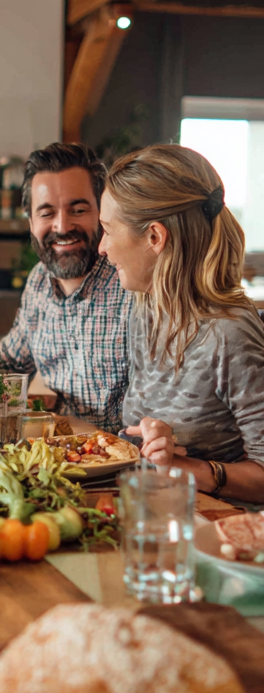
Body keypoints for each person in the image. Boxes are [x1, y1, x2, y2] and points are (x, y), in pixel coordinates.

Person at [99, 144, 264, 502]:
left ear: (155, 238)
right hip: (149, 504)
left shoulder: (228, 333)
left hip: (214, 528)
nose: (102, 247)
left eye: (108, 230)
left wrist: (192, 470)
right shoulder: (144, 304)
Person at [0, 142, 132, 431]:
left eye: (78, 209)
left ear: (101, 212)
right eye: (46, 213)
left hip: (131, 463)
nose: (62, 226)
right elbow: (10, 364)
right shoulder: (39, 280)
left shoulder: (132, 278)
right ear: (31, 222)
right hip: (65, 455)